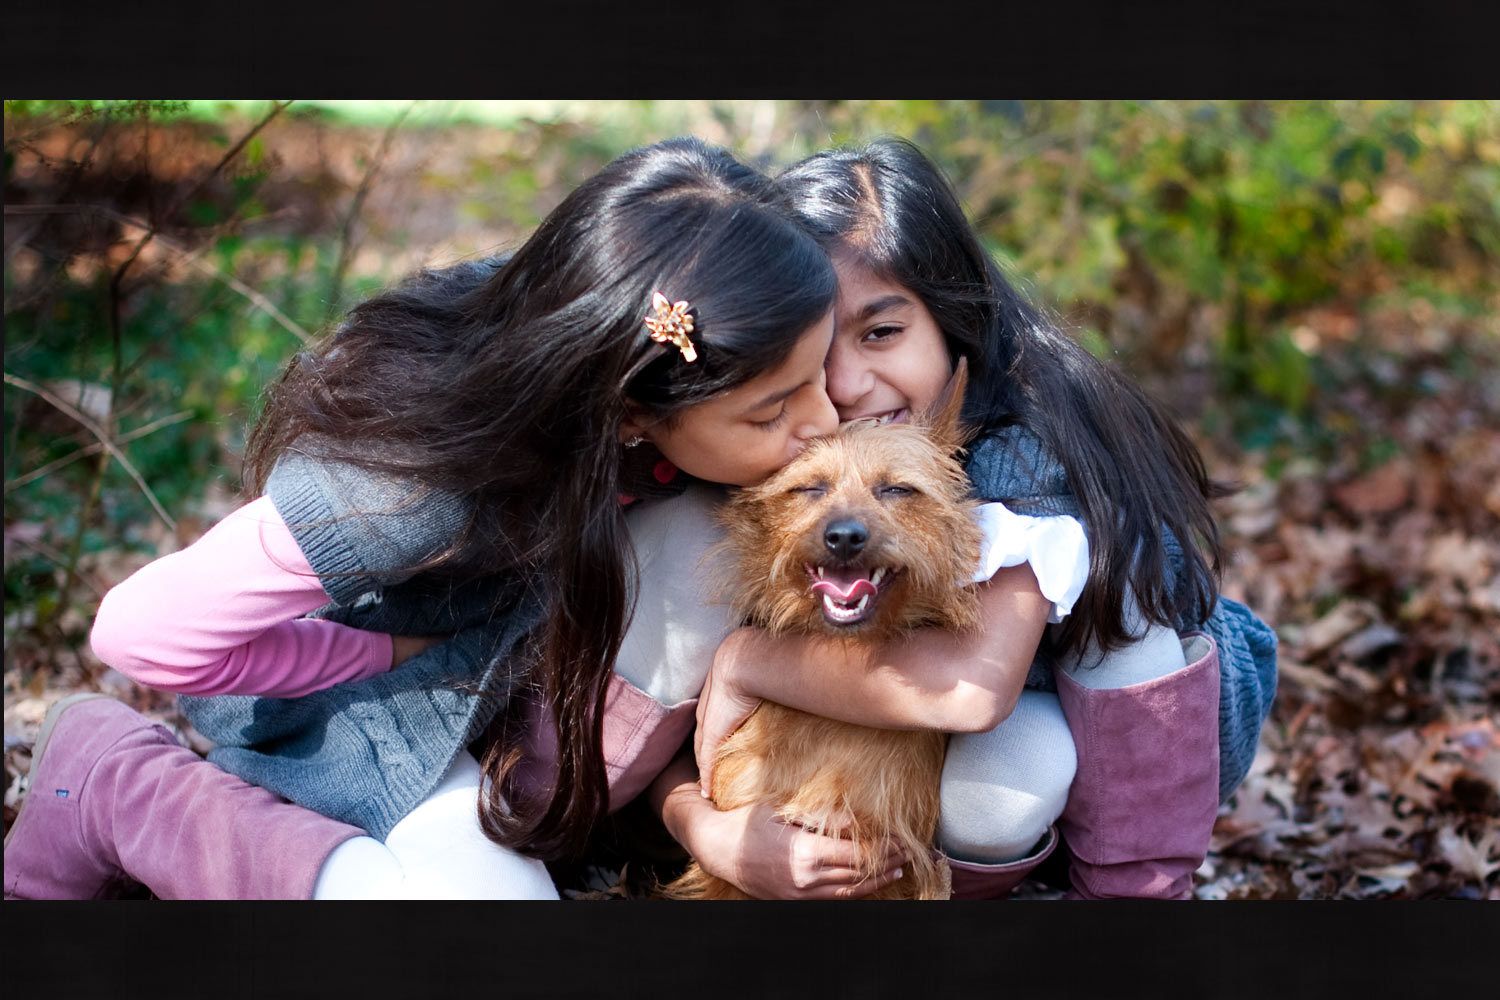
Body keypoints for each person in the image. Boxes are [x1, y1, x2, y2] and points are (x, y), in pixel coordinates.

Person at [2, 137, 844, 900]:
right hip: (356, 719)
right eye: (772, 413)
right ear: (628, 410)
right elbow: (140, 631)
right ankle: (118, 781)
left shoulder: (615, 344)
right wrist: (381, 651)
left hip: (488, 704)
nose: (824, 421)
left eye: (824, 369)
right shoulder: (410, 487)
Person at [639, 137, 1277, 900]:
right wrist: (702, 825)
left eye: (881, 332)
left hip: (1138, 702)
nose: (847, 382)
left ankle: (1135, 890)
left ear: (953, 319)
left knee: (1099, 648)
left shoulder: (1022, 451)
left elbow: (972, 692)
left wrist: (745, 661)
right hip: (963, 708)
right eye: (813, 346)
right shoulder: (791, 450)